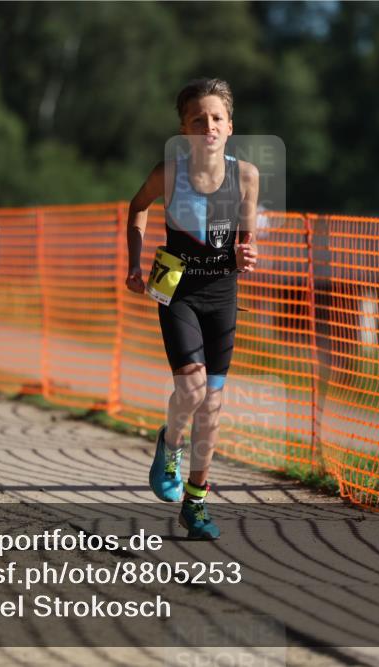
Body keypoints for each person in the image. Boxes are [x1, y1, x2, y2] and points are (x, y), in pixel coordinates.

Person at [126, 78, 259, 539]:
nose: (208, 126)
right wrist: (134, 265)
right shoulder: (168, 172)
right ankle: (170, 442)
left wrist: (247, 251)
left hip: (222, 293)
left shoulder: (246, 176)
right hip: (175, 283)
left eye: (216, 118)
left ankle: (196, 503)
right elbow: (137, 207)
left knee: (214, 404)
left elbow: (246, 238)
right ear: (183, 129)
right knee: (193, 388)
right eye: (197, 119)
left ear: (229, 127)